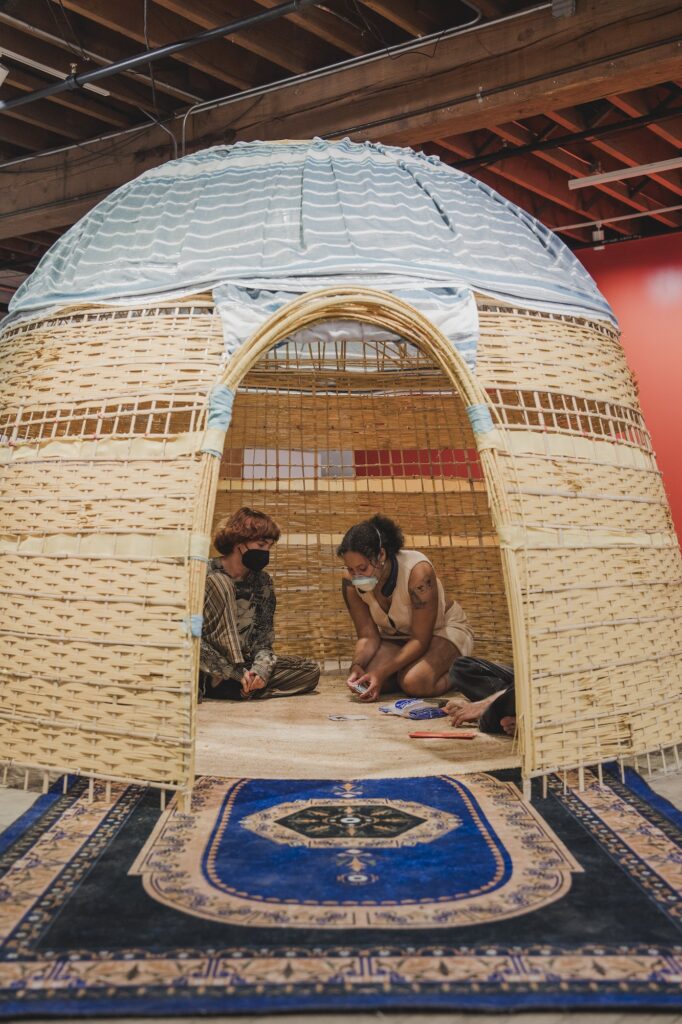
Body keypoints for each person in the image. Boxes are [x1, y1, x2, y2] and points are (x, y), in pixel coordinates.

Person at [337, 513, 473, 703]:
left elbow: (420, 638)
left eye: (363, 568)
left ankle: (464, 673)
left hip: (441, 632)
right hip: (397, 639)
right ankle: (405, 673)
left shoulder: (417, 572)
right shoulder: (350, 583)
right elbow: (367, 636)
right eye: (351, 569)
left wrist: (383, 672)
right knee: (365, 679)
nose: (357, 576)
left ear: (381, 555)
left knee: (414, 682)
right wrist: (356, 665)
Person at [199, 507, 320, 701]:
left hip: (244, 664)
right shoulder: (205, 574)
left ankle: (243, 687)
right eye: (261, 545)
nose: (265, 553)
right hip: (207, 664)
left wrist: (260, 671)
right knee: (221, 584)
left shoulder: (262, 582)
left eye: (269, 547)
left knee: (309, 671)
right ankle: (223, 682)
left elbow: (263, 640)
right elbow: (193, 639)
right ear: (238, 542)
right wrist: (231, 671)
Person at [444, 657, 516, 736]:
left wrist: (484, 704)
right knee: (460, 667)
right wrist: (477, 705)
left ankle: (497, 709)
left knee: (487, 723)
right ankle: (503, 705)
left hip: (527, 685)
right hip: (519, 679)